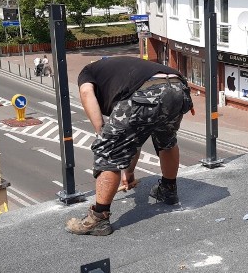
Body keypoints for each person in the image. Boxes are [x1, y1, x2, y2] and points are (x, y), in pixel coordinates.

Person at [65, 57, 194, 236]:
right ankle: (168, 191)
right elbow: (133, 136)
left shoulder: (88, 72)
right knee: (166, 140)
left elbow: (87, 93)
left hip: (147, 90)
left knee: (109, 152)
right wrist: (129, 172)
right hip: (178, 87)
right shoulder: (122, 70)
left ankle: (98, 218)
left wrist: (101, 132)